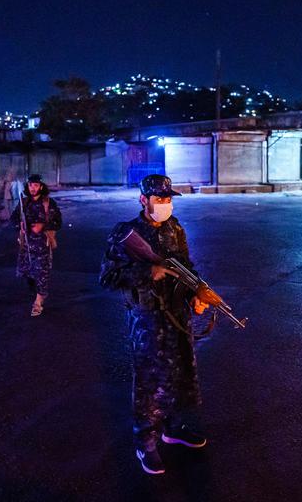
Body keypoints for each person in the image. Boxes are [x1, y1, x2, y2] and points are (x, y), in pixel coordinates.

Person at [99, 174, 210, 475]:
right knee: (149, 378)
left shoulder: (175, 229)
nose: (165, 204)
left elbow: (187, 268)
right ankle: (145, 441)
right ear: (143, 200)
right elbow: (107, 277)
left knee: (178, 371)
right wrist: (148, 271)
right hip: (146, 319)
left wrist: (197, 293)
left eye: (168, 198)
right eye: (159, 199)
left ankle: (172, 427)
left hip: (176, 315)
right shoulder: (126, 233)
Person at [10, 174, 62, 316]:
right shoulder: (24, 203)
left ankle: (38, 302)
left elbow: (58, 222)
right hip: (26, 246)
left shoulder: (48, 203)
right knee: (28, 274)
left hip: (42, 246)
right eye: (31, 185)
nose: (33, 188)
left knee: (41, 274)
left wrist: (43, 226)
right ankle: (36, 293)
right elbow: (13, 218)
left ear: (41, 186)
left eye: (36, 185)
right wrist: (19, 227)